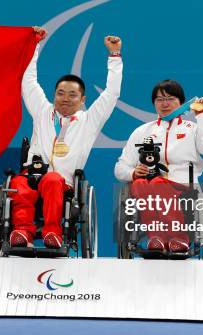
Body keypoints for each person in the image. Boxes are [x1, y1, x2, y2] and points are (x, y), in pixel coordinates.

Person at [9, 27, 123, 248]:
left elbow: (111, 93)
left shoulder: (89, 120)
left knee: (52, 180)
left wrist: (115, 56)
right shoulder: (42, 111)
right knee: (18, 183)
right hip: (33, 175)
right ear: (54, 95)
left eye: (72, 95)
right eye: (60, 93)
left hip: (63, 183)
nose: (65, 99)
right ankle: (22, 232)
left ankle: (53, 232)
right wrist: (34, 46)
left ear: (82, 99)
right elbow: (28, 81)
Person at [114, 80, 203, 252]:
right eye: (159, 99)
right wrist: (134, 172)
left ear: (181, 102)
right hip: (150, 187)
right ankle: (156, 238)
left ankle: (179, 238)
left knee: (157, 183)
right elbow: (120, 168)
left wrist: (201, 115)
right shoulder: (142, 132)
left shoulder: (192, 129)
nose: (164, 104)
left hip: (184, 187)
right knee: (140, 183)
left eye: (170, 98)